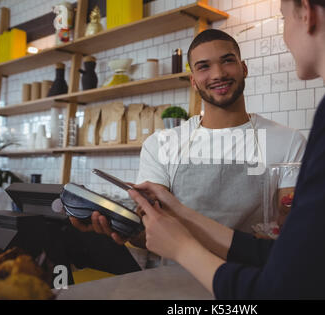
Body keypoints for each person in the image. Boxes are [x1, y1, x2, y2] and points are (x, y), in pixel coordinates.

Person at [127, 0, 325, 298]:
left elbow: (282, 291)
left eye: (283, 17)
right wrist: (179, 212)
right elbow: (293, 256)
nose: (285, 34)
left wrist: (182, 248)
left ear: (307, 12)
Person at [70, 30, 306, 248]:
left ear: (244, 68)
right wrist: (123, 228)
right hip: (178, 283)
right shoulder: (161, 144)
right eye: (203, 67)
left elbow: (291, 228)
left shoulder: (288, 141)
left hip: (254, 282)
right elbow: (151, 233)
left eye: (227, 60)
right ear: (193, 81)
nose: (218, 74)